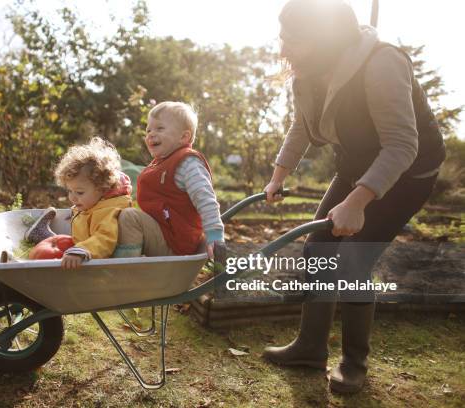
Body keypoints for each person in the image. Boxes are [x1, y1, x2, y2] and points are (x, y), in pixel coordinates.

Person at [262, 0, 445, 394]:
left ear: (324, 39)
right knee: (317, 251)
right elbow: (301, 125)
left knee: (353, 259)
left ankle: (354, 363)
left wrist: (358, 202)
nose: (282, 49)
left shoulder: (382, 63)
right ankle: (310, 348)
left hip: (409, 170)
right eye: (283, 37)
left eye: (293, 40)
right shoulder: (309, 73)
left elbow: (401, 145)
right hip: (356, 164)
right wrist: (278, 175)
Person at [114, 101, 226, 260]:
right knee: (117, 214)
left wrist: (215, 235)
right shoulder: (160, 163)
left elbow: (205, 198)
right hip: (163, 233)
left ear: (184, 136)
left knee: (130, 217)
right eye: (148, 130)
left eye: (160, 128)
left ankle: (125, 271)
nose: (151, 134)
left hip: (176, 242)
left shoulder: (187, 163)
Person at [26, 137, 132, 268]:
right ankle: (41, 235)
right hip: (82, 247)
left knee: (60, 253)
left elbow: (104, 239)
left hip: (96, 257)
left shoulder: (109, 211)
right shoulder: (90, 205)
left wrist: (81, 251)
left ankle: (40, 236)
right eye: (70, 191)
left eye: (79, 192)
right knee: (58, 246)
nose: (72, 198)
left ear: (102, 188)